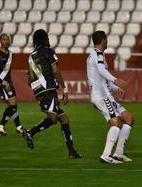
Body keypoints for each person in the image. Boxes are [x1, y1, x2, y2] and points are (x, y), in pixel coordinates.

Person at [23, 29, 81, 159]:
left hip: (38, 91)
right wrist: (64, 89)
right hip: (48, 90)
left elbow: (28, 80)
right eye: (47, 38)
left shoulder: (30, 57)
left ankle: (71, 151)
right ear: (44, 39)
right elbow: (55, 71)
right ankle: (30, 132)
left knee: (64, 118)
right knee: (54, 118)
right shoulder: (49, 52)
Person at [87, 31, 134, 164]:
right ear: (103, 40)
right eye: (106, 40)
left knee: (129, 118)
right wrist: (116, 80)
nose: (107, 42)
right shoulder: (98, 54)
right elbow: (102, 71)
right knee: (116, 123)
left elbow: (102, 79)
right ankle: (106, 155)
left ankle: (118, 154)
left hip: (106, 95)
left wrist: (116, 88)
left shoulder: (95, 55)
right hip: (101, 96)